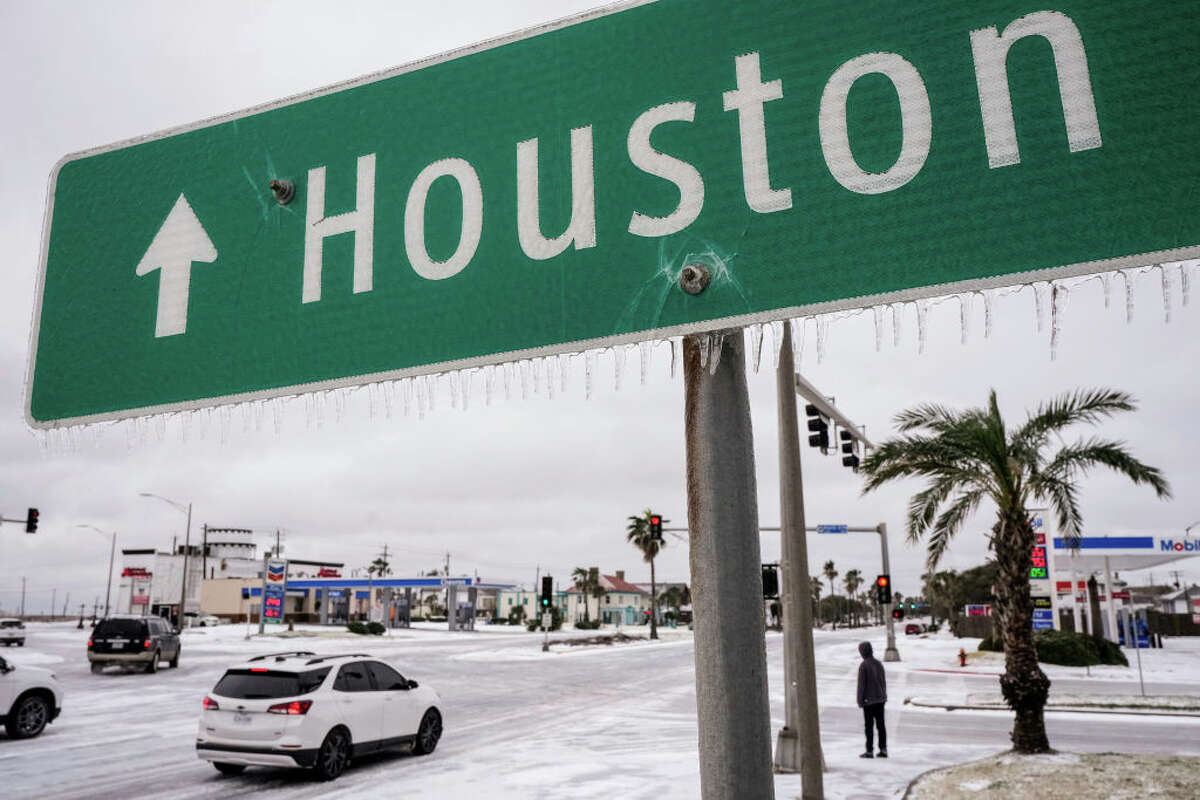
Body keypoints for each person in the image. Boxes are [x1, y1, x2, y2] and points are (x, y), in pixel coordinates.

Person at [857, 641, 887, 758]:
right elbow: (883, 681)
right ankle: (883, 749)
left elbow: (861, 685)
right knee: (881, 726)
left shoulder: (864, 665)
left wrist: (860, 700)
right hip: (880, 699)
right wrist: (884, 695)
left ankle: (869, 750)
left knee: (869, 727)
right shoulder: (879, 664)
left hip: (869, 701)